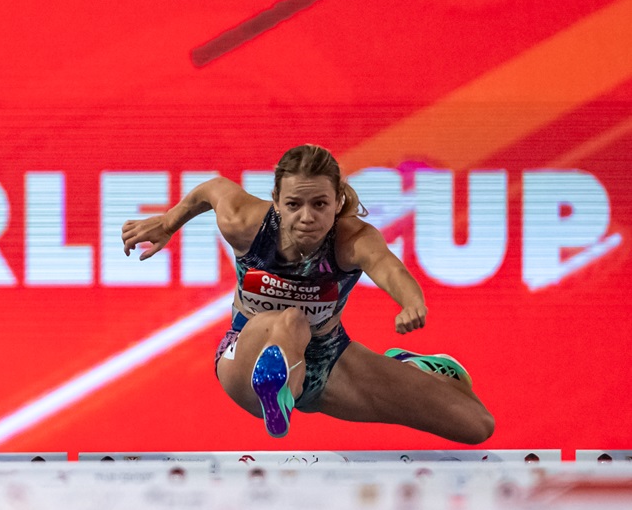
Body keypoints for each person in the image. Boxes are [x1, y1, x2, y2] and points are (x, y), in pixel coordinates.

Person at [121, 144, 493, 443]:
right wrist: (168, 222)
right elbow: (212, 189)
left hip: (328, 361)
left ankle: (408, 367)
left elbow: (389, 268)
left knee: (476, 425)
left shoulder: (353, 239)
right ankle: (276, 387)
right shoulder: (245, 222)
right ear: (276, 201)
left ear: (337, 202)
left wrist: (411, 302)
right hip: (247, 353)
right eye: (293, 205)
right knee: (291, 321)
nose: (307, 217)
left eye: (320, 204)